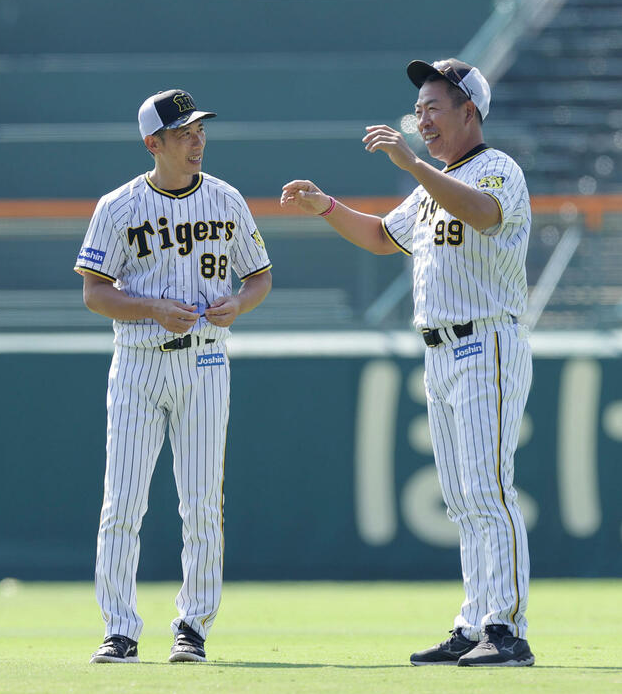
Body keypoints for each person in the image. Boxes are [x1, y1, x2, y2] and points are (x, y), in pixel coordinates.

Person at [281, 58, 534, 667]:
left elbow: (482, 213)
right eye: (418, 108)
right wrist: (325, 206)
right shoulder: (429, 187)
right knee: (462, 498)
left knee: (489, 489)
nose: (422, 119)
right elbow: (378, 236)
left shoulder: (498, 170)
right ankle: (475, 622)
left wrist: (414, 166)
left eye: (434, 107)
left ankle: (507, 632)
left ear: (470, 110)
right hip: (441, 350)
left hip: (487, 341)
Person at [75, 89, 272, 664]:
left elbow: (258, 277)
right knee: (123, 502)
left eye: (200, 130)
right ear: (152, 143)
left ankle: (193, 626)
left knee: (202, 502)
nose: (197, 139)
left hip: (206, 359)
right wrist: (152, 308)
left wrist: (241, 302)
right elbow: (94, 293)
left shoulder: (227, 199)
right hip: (138, 361)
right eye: (184, 132)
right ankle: (120, 629)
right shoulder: (118, 206)